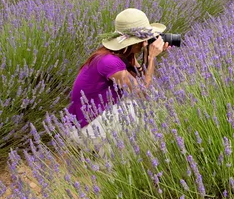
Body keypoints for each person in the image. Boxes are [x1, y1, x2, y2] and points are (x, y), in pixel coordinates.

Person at [66, 8, 169, 138]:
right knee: (137, 108)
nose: (146, 41)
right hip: (86, 128)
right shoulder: (109, 61)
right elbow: (143, 93)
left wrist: (148, 54)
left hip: (99, 118)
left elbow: (142, 79)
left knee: (154, 98)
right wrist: (152, 58)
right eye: (145, 38)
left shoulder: (124, 55)